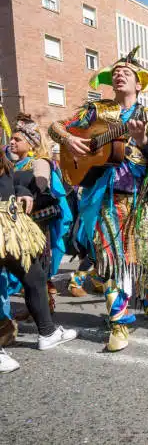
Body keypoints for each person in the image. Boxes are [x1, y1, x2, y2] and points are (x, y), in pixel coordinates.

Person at [48, 46, 148, 352]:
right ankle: (118, 322)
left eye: (126, 73)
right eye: (116, 72)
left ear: (138, 84)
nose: (119, 75)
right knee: (111, 261)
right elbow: (54, 128)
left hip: (139, 200)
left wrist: (142, 138)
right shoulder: (96, 111)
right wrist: (69, 139)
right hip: (105, 199)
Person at [0, 146, 77, 373]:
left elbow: (9, 179)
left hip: (9, 225)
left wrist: (21, 189)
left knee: (34, 275)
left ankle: (48, 332)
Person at [4, 114, 72, 314]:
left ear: (31, 143)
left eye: (17, 139)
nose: (12, 142)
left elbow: (41, 180)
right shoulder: (11, 165)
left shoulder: (38, 162)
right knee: (23, 269)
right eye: (12, 139)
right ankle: (34, 306)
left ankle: (43, 307)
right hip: (13, 224)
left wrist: (35, 189)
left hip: (34, 226)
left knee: (35, 269)